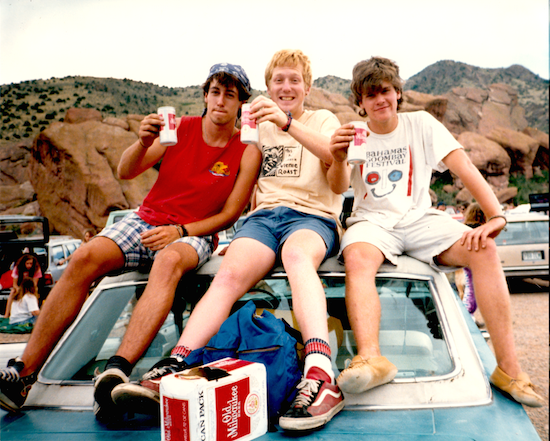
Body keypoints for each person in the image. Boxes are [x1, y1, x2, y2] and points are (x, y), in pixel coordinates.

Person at [0, 62, 262, 418]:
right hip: (146, 218)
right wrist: (141, 142)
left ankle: (117, 369)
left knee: (169, 261)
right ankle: (23, 373)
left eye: (230, 95)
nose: (220, 101)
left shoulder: (246, 147)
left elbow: (231, 213)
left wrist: (182, 231)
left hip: (195, 231)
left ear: (241, 103)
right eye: (215, 92)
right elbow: (126, 170)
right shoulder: (179, 129)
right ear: (204, 95)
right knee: (84, 257)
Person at [113, 49, 346, 432]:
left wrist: (287, 123)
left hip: (312, 216)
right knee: (227, 276)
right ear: (268, 86)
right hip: (263, 218)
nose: (286, 87)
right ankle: (177, 362)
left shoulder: (321, 119)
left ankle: (320, 372)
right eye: (278, 81)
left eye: (294, 80)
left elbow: (337, 173)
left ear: (308, 87)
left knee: (298, 259)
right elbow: (236, 178)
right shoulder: (257, 126)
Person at [327, 56, 544, 408]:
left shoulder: (421, 124)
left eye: (385, 91)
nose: (379, 99)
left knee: (484, 250)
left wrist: (495, 215)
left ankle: (509, 369)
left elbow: (464, 167)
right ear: (360, 101)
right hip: (372, 222)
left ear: (397, 92)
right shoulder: (354, 132)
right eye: (370, 95)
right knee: (357, 256)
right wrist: (336, 157)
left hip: (419, 218)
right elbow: (338, 188)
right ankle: (371, 358)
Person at [4, 254, 42, 320]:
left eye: (31, 263)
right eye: (27, 263)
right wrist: (19, 289)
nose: (29, 265)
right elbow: (14, 284)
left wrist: (29, 290)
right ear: (24, 263)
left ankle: (34, 308)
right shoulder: (17, 268)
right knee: (12, 292)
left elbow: (34, 283)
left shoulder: (36, 268)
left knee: (35, 294)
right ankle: (7, 314)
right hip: (20, 286)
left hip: (30, 286)